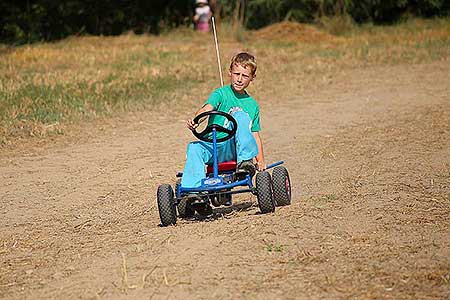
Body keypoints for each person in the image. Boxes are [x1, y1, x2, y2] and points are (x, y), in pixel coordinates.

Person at [181, 52, 266, 189]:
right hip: (214, 146)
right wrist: (197, 119)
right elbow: (208, 108)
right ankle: (193, 190)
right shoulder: (221, 94)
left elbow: (255, 134)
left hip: (235, 148)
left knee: (240, 116)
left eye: (244, 76)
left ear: (252, 78)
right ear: (230, 73)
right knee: (194, 147)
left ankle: (245, 161)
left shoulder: (252, 105)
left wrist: (260, 160)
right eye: (236, 74)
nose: (239, 79)